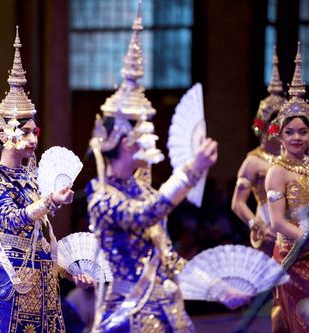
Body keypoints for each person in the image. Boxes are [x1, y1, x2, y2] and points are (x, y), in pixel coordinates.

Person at [86, 6, 250, 332]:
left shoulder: (144, 189)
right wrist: (190, 172)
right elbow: (143, 214)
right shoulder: (100, 196)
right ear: (121, 139)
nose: (147, 140)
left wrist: (219, 290)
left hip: (166, 312)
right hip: (128, 315)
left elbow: (169, 258)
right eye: (140, 133)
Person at [0, 26, 92, 333]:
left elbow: (41, 235)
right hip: (10, 281)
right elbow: (11, 220)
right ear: (4, 134)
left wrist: (69, 272)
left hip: (42, 279)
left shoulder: (32, 177)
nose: (32, 138)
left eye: (34, 131)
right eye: (25, 131)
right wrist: (48, 201)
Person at [265, 43, 309, 333]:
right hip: (293, 257)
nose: (297, 138)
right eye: (290, 132)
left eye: (303, 132)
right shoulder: (276, 172)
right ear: (279, 136)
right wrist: (306, 236)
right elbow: (277, 221)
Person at [231, 46, 285, 255]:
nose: (277, 133)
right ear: (261, 126)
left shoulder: (294, 159)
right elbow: (237, 203)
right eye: (273, 127)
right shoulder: (253, 161)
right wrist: (258, 226)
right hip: (268, 228)